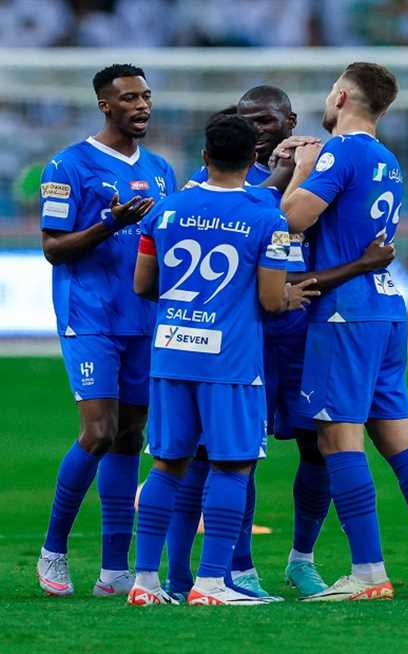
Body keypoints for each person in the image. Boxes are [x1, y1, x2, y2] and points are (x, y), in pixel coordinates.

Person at [282, 62, 408, 601]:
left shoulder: (341, 151)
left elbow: (293, 218)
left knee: (338, 437)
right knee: (399, 437)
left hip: (345, 311)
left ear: (340, 96)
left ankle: (367, 572)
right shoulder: (388, 158)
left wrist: (300, 169)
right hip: (386, 306)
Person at [127, 114, 316, 606]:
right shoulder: (265, 220)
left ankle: (145, 582)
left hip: (170, 355)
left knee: (168, 465)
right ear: (252, 159)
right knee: (231, 467)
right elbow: (273, 301)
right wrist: (293, 298)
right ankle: (212, 582)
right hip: (229, 362)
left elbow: (143, 285)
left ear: (205, 157)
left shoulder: (166, 212)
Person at [37, 63, 175, 598]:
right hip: (90, 315)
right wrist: (107, 226)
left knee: (127, 438)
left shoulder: (160, 168)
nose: (141, 106)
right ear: (104, 105)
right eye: (129, 98)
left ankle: (115, 569)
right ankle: (53, 551)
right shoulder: (68, 165)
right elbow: (52, 248)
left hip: (144, 318)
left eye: (145, 96)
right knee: (97, 432)